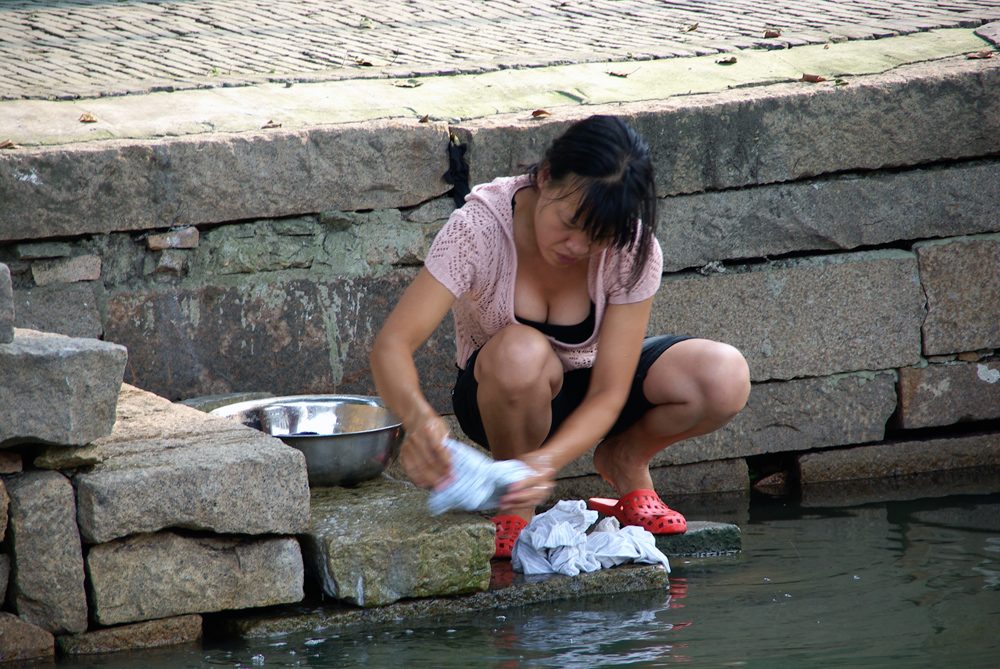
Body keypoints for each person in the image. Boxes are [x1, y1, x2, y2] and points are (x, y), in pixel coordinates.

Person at [371, 115, 750, 559]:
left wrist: (549, 462)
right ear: (546, 177)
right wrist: (419, 421)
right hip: (502, 394)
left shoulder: (632, 248)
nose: (578, 247)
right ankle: (516, 499)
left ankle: (625, 458)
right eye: (570, 223)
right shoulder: (478, 229)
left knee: (723, 375)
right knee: (521, 352)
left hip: (593, 390)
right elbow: (391, 345)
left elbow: (610, 393)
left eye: (599, 237)